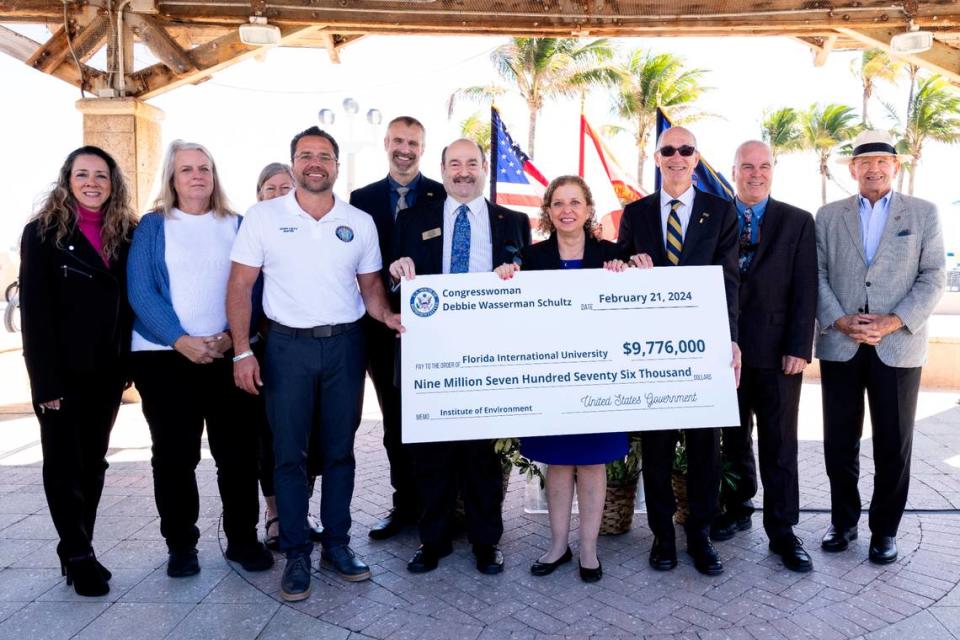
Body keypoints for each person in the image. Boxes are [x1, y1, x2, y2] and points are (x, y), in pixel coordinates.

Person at [228, 126, 402, 602]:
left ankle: (338, 545)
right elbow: (241, 286)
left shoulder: (358, 221)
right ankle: (297, 551)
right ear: (293, 164)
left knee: (340, 450)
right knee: (289, 455)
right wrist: (242, 350)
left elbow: (369, 288)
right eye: (306, 155)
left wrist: (387, 313)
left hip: (346, 346)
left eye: (324, 156)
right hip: (286, 349)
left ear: (336, 167)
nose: (315, 163)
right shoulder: (263, 217)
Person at [127, 140, 273, 578]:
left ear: (215, 175)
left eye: (204, 168)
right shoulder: (153, 226)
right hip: (164, 359)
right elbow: (140, 290)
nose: (197, 176)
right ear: (172, 178)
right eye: (187, 169)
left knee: (238, 455)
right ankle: (181, 545)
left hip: (229, 358)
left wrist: (234, 338)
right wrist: (180, 339)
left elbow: (258, 289)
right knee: (174, 456)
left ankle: (242, 540)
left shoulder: (237, 224)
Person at [390, 138, 531, 575]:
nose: (463, 171)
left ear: (485, 168)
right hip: (430, 355)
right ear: (443, 169)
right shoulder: (413, 219)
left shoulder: (514, 221)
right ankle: (432, 542)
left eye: (472, 163)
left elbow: (529, 284)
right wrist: (396, 274)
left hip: (489, 356)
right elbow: (394, 281)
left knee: (482, 458)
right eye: (455, 164)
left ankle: (487, 543)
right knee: (431, 456)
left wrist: (517, 277)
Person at [493, 175, 633, 583]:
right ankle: (557, 545)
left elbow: (635, 302)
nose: (566, 210)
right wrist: (505, 276)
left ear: (588, 209)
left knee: (592, 465)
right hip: (551, 379)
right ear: (548, 212)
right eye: (558, 203)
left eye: (575, 202)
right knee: (557, 463)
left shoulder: (612, 254)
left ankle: (588, 549)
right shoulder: (532, 259)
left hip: (598, 377)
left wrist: (625, 272)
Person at [816, 129, 945, 565]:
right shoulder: (828, 215)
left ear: (896, 167)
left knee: (893, 444)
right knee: (839, 442)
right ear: (852, 169)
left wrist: (893, 321)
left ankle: (884, 531)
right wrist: (839, 318)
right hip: (841, 343)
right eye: (864, 162)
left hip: (898, 347)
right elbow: (815, 275)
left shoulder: (923, 213)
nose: (873, 168)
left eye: (882, 162)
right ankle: (843, 521)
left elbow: (933, 277)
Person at [617, 125, 740, 577]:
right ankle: (663, 538)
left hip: (704, 349)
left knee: (706, 445)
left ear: (696, 157)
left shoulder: (720, 211)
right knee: (657, 446)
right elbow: (619, 270)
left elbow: (729, 280)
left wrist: (732, 339)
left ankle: (700, 535)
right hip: (651, 353)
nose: (677, 156)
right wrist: (629, 264)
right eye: (668, 150)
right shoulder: (636, 213)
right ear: (657, 158)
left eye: (685, 150)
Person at [19, 146, 137, 596]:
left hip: (106, 373)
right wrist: (44, 382)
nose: (93, 183)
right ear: (68, 180)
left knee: (94, 463)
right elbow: (35, 314)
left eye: (101, 176)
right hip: (60, 374)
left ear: (113, 184)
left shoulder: (124, 233)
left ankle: (77, 545)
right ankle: (80, 554)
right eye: (83, 174)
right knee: (64, 464)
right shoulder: (42, 234)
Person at [713, 141, 817, 573]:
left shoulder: (797, 221)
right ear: (733, 171)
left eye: (764, 166)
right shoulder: (714, 217)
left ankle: (782, 530)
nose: (755, 173)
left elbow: (806, 287)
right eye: (747, 166)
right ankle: (738, 509)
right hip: (726, 351)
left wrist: (799, 345)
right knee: (733, 439)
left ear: (773, 171)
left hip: (778, 354)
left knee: (779, 443)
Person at [350, 116, 445, 540]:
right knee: (394, 423)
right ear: (386, 143)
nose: (405, 149)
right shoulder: (360, 198)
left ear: (423, 149)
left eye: (414, 143)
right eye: (398, 141)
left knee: (434, 420)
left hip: (434, 329)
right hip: (380, 329)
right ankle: (403, 504)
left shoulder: (441, 195)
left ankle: (438, 506)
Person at [251, 162, 322, 550]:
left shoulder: (310, 234)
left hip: (305, 350)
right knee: (271, 437)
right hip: (263, 350)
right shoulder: (252, 232)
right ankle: (276, 512)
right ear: (258, 195)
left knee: (307, 434)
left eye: (285, 188)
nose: (278, 194)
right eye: (270, 188)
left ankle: (302, 510)